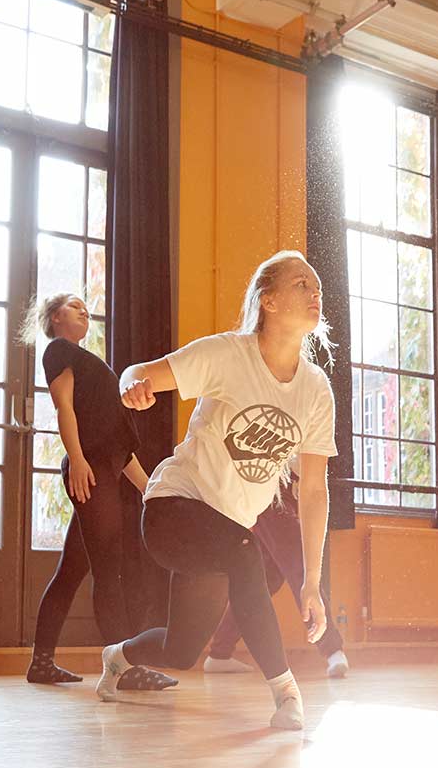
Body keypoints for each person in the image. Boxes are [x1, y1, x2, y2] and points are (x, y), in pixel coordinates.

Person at [101, 251, 338, 730]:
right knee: (246, 550)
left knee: (183, 649)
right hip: (173, 509)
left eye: (316, 286)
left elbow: (313, 490)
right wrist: (133, 387)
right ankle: (287, 694)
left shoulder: (316, 390)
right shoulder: (229, 355)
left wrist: (311, 581)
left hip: (225, 530)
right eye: (301, 284)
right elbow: (139, 371)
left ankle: (118, 657)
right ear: (267, 300)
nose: (315, 293)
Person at [21, 294, 153, 685]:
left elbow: (120, 448)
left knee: (70, 572)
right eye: (75, 306)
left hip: (101, 469)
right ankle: (123, 669)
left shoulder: (91, 364)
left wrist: (151, 489)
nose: (85, 311)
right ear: (55, 317)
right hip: (89, 471)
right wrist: (76, 459)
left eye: (85, 307)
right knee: (108, 570)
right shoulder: (60, 350)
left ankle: (40, 664)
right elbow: (64, 407)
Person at [202, 466, 352, 678]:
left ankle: (220, 652)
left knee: (265, 580)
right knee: (299, 563)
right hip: (269, 491)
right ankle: (332, 649)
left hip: (283, 492)